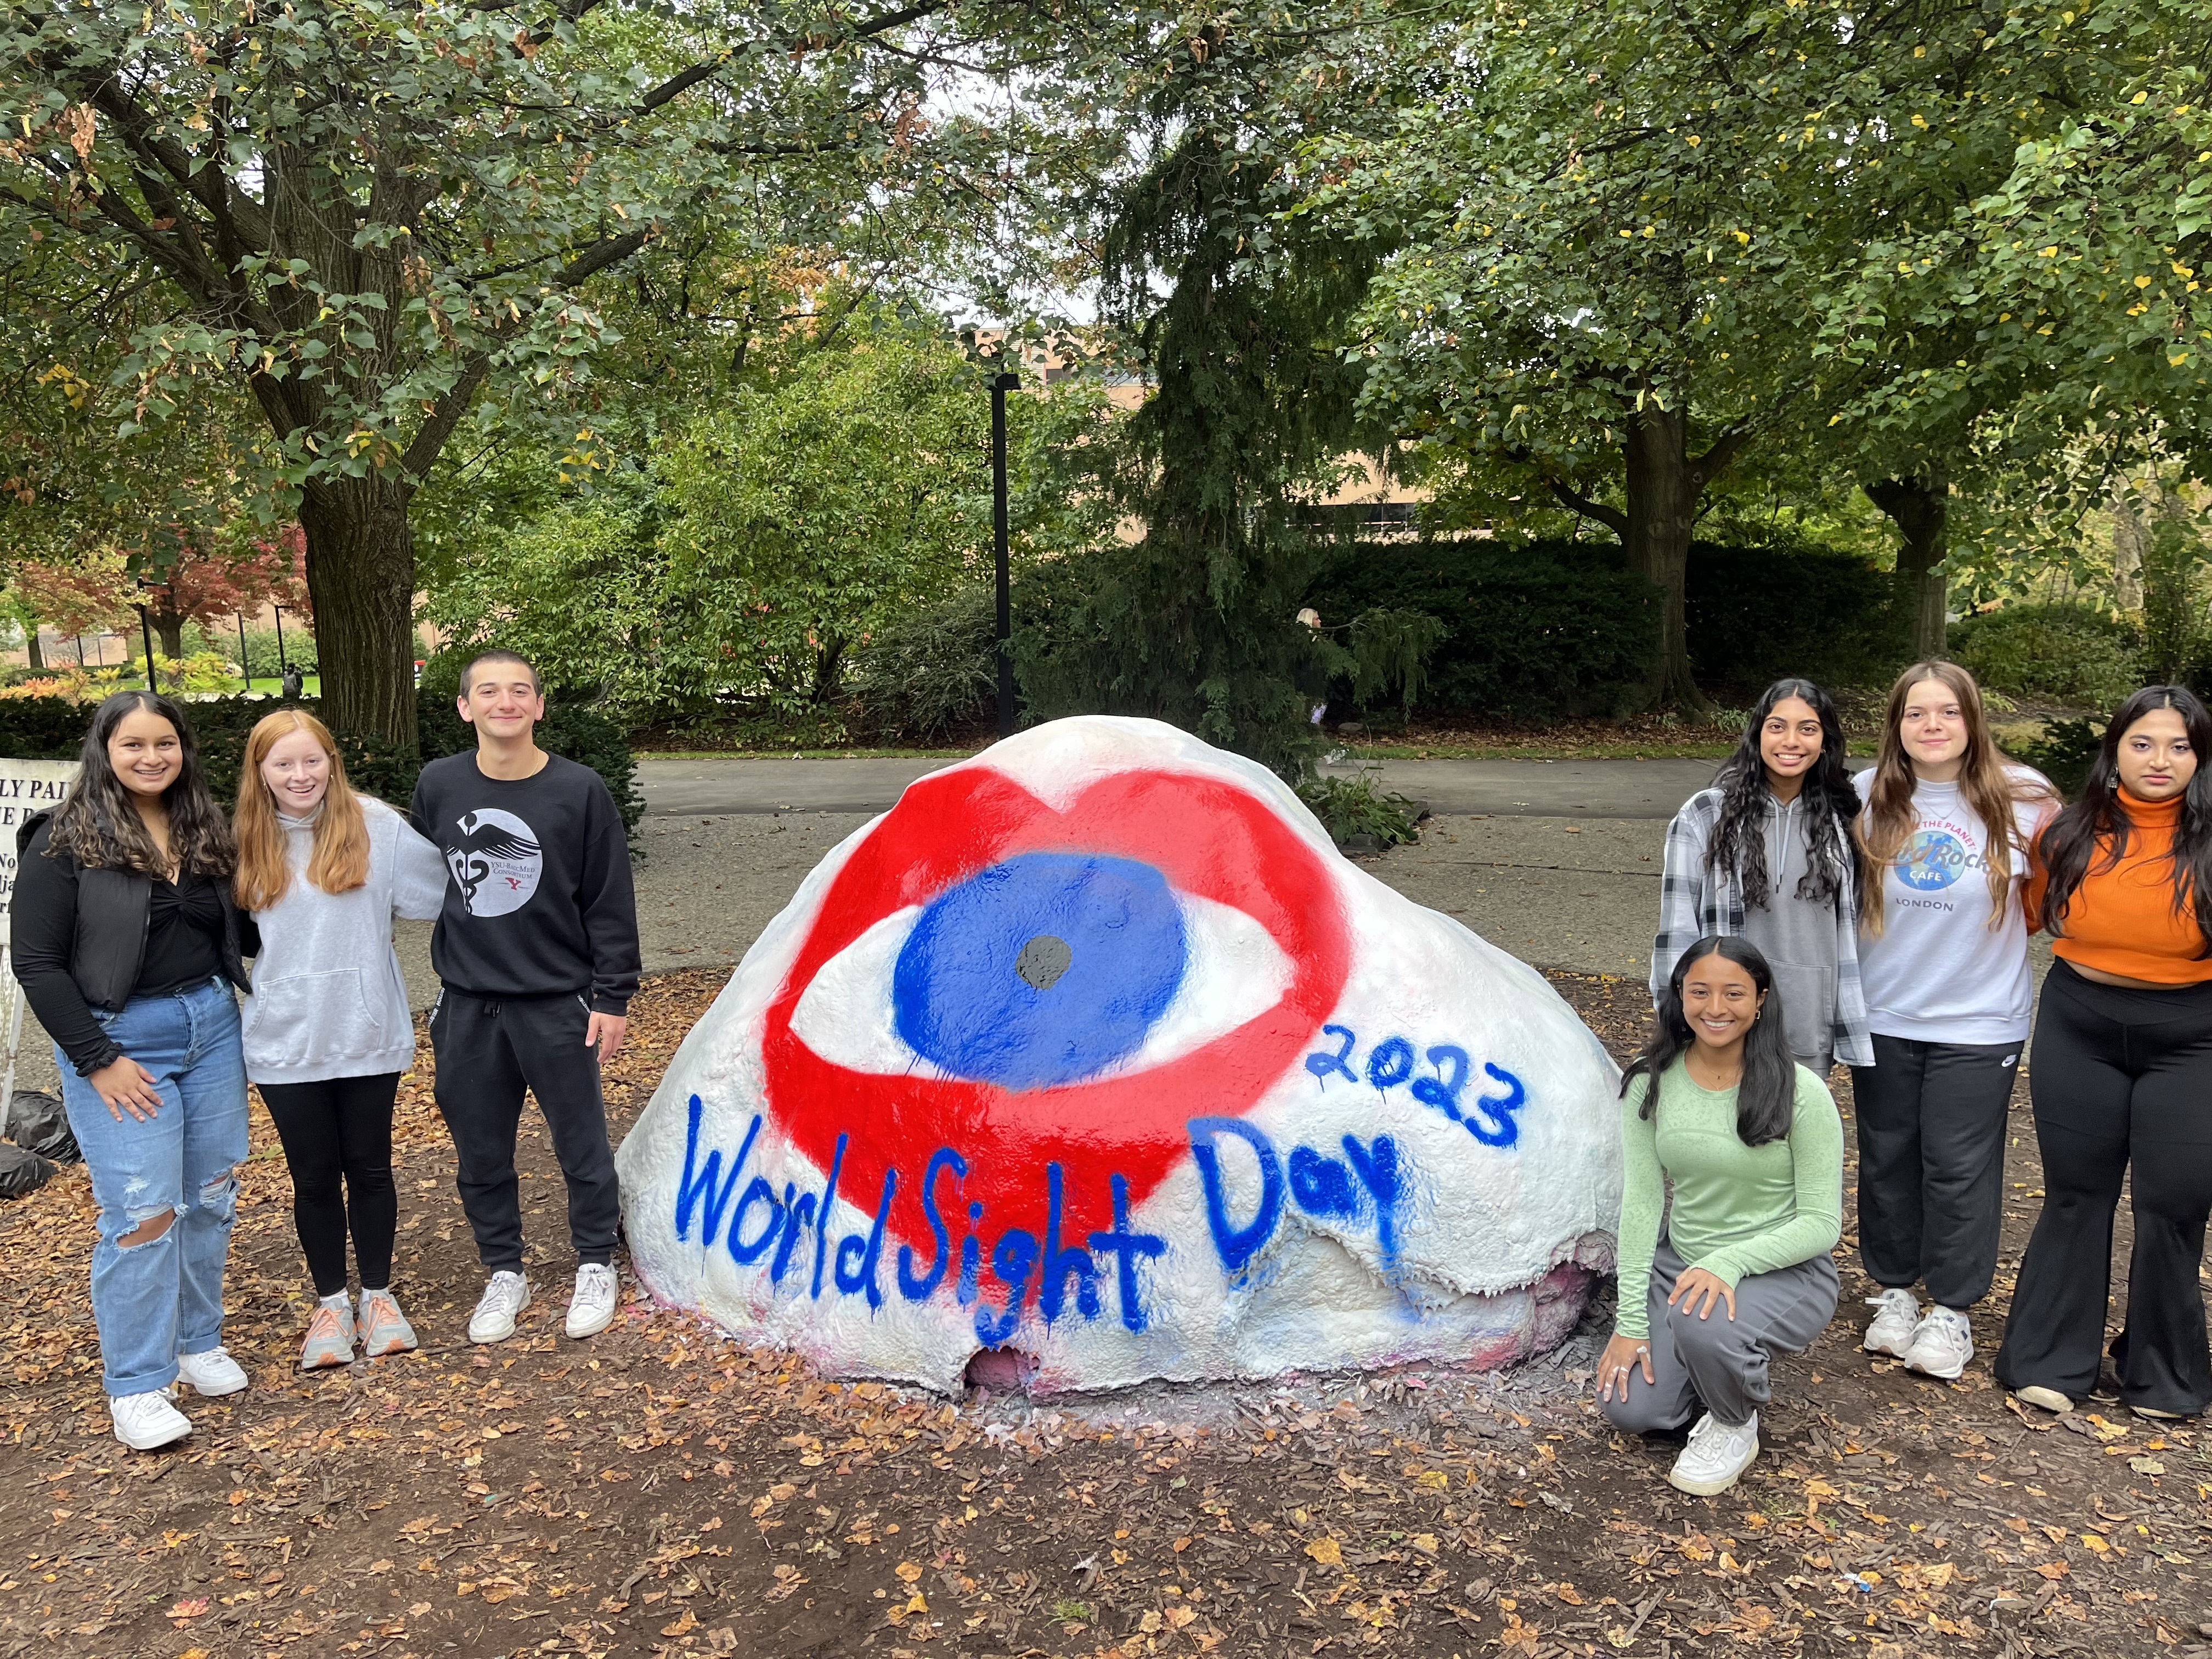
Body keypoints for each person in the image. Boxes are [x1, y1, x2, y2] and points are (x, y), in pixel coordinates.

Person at [10, 691, 254, 1450]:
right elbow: (38, 965)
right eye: (133, 745)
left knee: (210, 1195)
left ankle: (195, 1341)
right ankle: (138, 1384)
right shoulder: (63, 841)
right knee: (143, 1214)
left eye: (166, 743)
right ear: (104, 752)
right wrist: (97, 1060)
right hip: (119, 1040)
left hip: (211, 1027)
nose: (152, 757)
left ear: (183, 750)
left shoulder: (204, 828)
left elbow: (242, 929)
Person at [409, 650, 639, 1344]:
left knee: (581, 1143)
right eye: (488, 691)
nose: (503, 702)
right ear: (464, 706)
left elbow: (608, 899)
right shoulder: (439, 785)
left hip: (557, 1002)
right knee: (480, 1151)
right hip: (468, 1005)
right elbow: (420, 876)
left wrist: (614, 995)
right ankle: (504, 1270)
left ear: (539, 706)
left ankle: (595, 1260)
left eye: (518, 691)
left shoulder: (579, 791)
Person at [1996, 686, 2212, 1418]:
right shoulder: (2067, 833)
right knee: (2076, 1194)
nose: (2160, 760)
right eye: (2143, 743)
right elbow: (2020, 916)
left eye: (2179, 746)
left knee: (2174, 1203)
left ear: (2199, 757)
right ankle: (2053, 1359)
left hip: (2193, 1036)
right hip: (2080, 1022)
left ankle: (2162, 1373)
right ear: (2115, 750)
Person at [1851, 660, 2059, 1381]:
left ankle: (1953, 1311)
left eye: (1948, 712)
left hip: (1979, 1022)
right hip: (1884, 1013)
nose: (1932, 726)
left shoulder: (2026, 799)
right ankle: (1897, 1292)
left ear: (1972, 721)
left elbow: (2056, 902)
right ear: (1897, 726)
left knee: (1957, 1164)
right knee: (1886, 1156)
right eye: (1916, 714)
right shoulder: (1864, 798)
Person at [235, 709, 449, 1370]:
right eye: (283, 764)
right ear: (261, 772)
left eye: (312, 760)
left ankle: (379, 1298)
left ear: (332, 760)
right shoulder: (240, 839)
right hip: (284, 1040)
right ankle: (331, 1304)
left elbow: (450, 893)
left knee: (371, 1166)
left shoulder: (374, 826)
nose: (300, 775)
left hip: (365, 1029)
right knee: (314, 1177)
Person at [1596, 935, 1843, 1495]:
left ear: (1760, 1001)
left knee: (1702, 1322)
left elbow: (1821, 1223)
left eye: (1734, 993)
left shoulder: (1801, 1093)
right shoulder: (1649, 1080)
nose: (1715, 1008)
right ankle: (1711, 1366)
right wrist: (1631, 1323)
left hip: (1781, 1270)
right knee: (1629, 1409)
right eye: (1699, 991)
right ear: (1679, 997)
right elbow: (1642, 1202)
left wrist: (1729, 1263)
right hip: (1682, 1265)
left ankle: (1735, 1420)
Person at [1652, 678, 1871, 1075]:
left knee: (1790, 1135)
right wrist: (1675, 1016)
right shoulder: (1706, 815)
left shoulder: (1845, 820)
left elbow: (1854, 929)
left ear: (1825, 742)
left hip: (1807, 1023)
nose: (1791, 741)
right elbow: (1677, 928)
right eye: (1777, 726)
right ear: (1757, 735)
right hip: (1724, 1022)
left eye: (1807, 729)